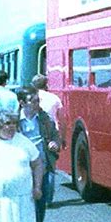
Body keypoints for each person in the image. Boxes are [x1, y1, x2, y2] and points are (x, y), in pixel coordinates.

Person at [18, 87, 60, 222]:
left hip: (42, 172)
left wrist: (55, 143)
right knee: (19, 218)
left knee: (37, 217)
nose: (37, 104)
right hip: (20, 174)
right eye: (33, 101)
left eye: (37, 100)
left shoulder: (44, 119)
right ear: (22, 103)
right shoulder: (13, 122)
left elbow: (55, 135)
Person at [31, 74, 65, 205]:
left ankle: (35, 192)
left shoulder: (30, 98)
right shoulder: (55, 98)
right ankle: (48, 199)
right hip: (51, 134)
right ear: (46, 84)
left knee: (34, 165)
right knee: (50, 167)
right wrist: (62, 138)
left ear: (33, 85)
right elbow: (61, 120)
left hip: (34, 133)